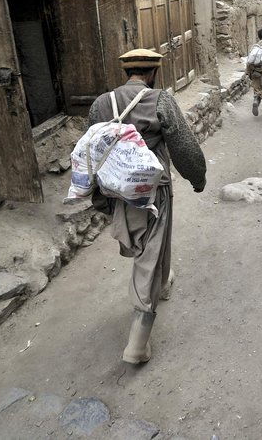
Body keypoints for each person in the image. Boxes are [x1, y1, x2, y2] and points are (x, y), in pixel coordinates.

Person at [87, 48, 207, 364]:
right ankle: (137, 345)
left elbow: (92, 149)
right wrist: (198, 177)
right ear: (152, 73)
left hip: (118, 190)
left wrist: (98, 196)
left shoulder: (102, 103)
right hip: (154, 192)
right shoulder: (159, 101)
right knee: (150, 254)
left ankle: (163, 281)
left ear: (127, 72)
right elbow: (183, 145)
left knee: (146, 246)